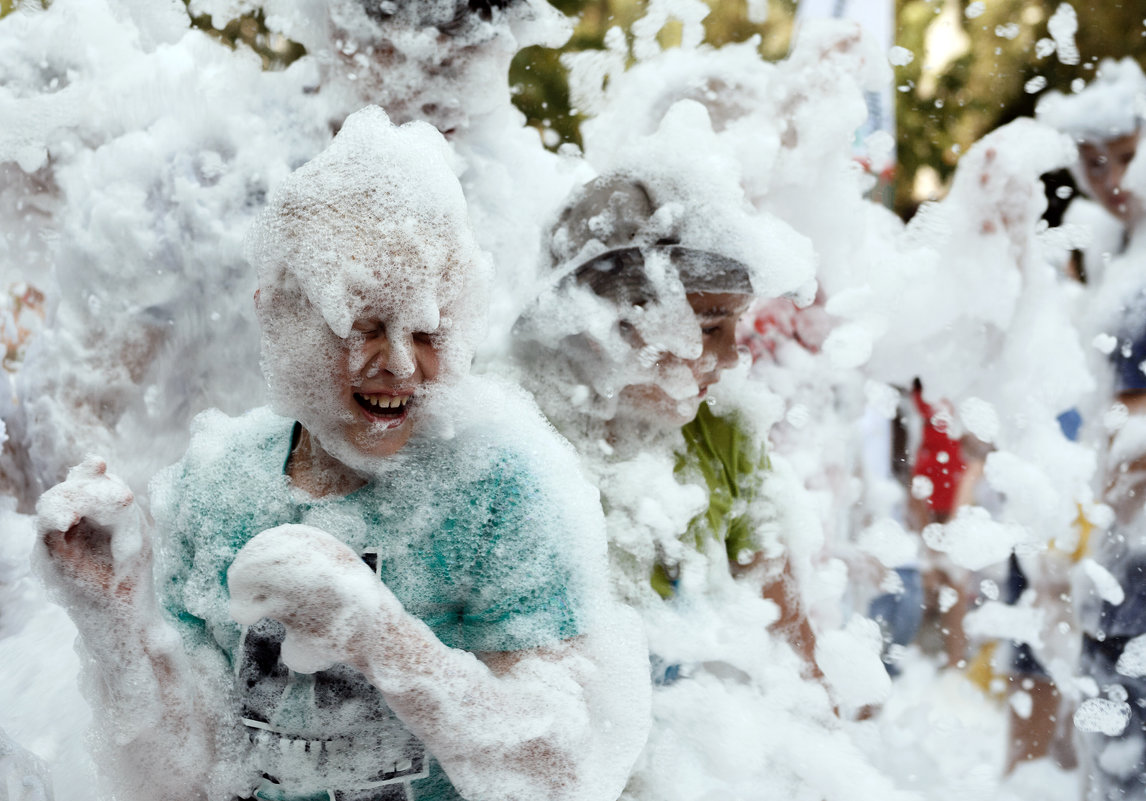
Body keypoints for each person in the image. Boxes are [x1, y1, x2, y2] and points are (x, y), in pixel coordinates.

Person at [33, 106, 648, 801]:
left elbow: (558, 773)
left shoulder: (499, 485)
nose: (400, 363)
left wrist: (380, 635)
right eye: (362, 324)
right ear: (280, 317)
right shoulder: (220, 483)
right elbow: (187, 775)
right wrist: (114, 617)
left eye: (427, 326)